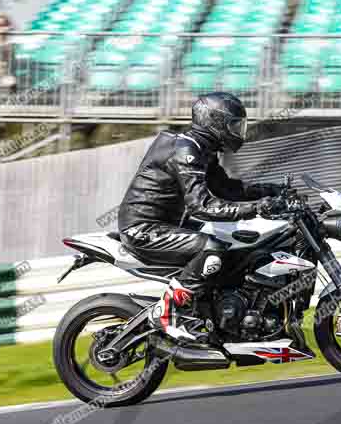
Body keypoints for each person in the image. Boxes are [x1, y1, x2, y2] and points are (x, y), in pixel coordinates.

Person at [117, 92, 284, 323]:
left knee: (235, 239)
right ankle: (165, 312)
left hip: (169, 224)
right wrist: (256, 208)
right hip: (144, 228)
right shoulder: (184, 151)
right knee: (213, 247)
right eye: (233, 125)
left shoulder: (200, 150)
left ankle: (214, 310)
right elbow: (201, 206)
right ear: (213, 121)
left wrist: (270, 190)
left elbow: (228, 190)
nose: (238, 132)